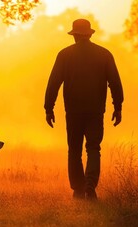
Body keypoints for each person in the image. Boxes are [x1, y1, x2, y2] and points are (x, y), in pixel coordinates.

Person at [44, 19, 124, 200]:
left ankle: (78, 189)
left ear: (75, 36)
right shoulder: (104, 54)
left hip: (73, 110)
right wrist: (117, 107)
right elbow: (115, 83)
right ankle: (90, 187)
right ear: (89, 34)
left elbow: (53, 83)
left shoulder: (65, 55)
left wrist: (49, 108)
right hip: (96, 111)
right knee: (94, 148)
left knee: (74, 150)